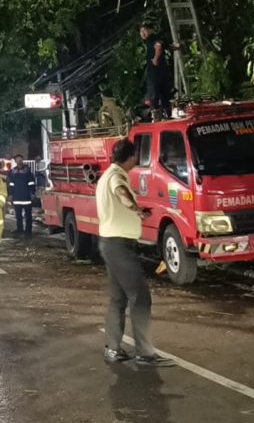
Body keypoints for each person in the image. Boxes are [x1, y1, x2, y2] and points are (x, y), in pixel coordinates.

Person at [95, 139, 175, 367]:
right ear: (130, 157)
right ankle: (145, 353)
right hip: (119, 246)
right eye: (136, 156)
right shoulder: (116, 176)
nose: (137, 159)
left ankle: (113, 349)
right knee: (140, 298)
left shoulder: (108, 174)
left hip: (110, 243)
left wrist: (136, 210)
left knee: (118, 299)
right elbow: (121, 192)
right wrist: (136, 208)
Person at [140, 21, 173, 121]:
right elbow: (167, 46)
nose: (142, 33)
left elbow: (158, 46)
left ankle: (157, 119)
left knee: (154, 96)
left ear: (150, 30)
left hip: (155, 73)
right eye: (141, 31)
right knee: (164, 95)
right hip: (163, 72)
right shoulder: (157, 38)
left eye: (144, 30)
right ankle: (167, 115)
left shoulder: (152, 39)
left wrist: (155, 58)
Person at [7, 154, 36, 235]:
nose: (19, 160)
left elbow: (31, 183)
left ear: (22, 160)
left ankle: (28, 230)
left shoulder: (28, 171)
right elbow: (11, 184)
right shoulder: (13, 172)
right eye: (17, 159)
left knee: (28, 215)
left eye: (20, 159)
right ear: (15, 161)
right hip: (17, 197)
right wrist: (10, 194)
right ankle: (20, 229)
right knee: (18, 215)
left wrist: (32, 193)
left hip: (26, 197)